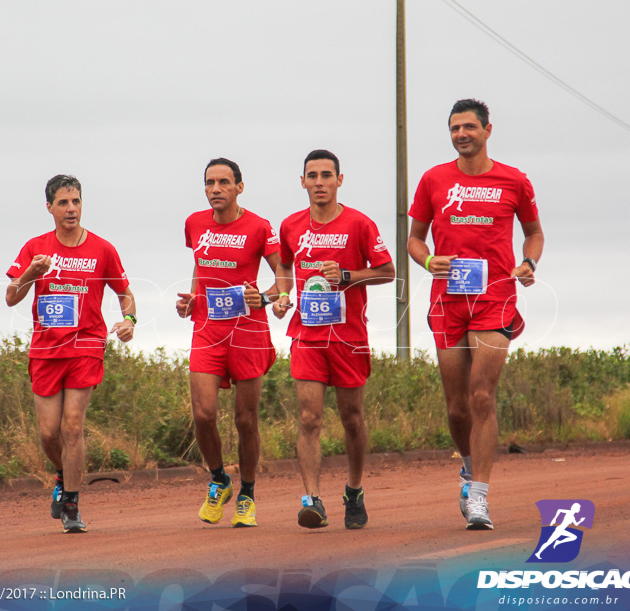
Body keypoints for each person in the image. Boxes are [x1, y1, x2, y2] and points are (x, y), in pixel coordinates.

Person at [407, 99, 544, 530]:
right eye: (454, 128)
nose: (461, 134)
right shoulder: (433, 179)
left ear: (488, 130)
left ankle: (481, 498)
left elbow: (534, 233)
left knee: (481, 393)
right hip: (448, 300)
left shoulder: (513, 180)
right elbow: (414, 239)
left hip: (494, 296)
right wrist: (429, 262)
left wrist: (529, 264)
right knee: (457, 406)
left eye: (469, 126)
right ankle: (468, 469)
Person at [6, 174, 136, 534]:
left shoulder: (102, 249)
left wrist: (129, 320)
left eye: (76, 201)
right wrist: (32, 272)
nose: (71, 209)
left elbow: (125, 294)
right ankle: (63, 476)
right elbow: (11, 296)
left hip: (86, 345)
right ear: (49, 208)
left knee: (73, 425)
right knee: (49, 434)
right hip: (46, 349)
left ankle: (73, 504)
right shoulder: (35, 247)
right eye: (63, 203)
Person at [278, 150, 395, 530]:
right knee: (309, 418)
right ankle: (311, 499)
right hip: (307, 335)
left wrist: (346, 275)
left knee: (352, 419)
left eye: (327, 175)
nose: (319, 182)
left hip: (348, 337)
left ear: (339, 180)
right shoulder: (291, 225)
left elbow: (387, 271)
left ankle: (355, 490)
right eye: (312, 175)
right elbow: (283, 263)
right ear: (302, 182)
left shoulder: (359, 223)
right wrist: (281, 295)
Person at [177, 158, 287, 528]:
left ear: (240, 187)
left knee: (246, 420)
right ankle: (220, 478)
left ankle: (247, 494)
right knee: (204, 413)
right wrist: (192, 297)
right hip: (207, 329)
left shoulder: (258, 226)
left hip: (247, 334)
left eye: (224, 182)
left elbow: (283, 276)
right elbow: (199, 266)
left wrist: (268, 297)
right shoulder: (194, 223)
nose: (216, 189)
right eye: (210, 183)